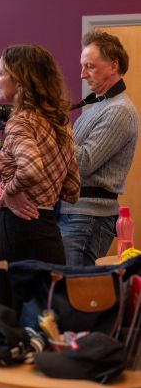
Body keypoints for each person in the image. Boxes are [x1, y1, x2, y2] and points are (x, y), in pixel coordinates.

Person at [0, 44, 80, 311]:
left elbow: (30, 169)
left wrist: (10, 192)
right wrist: (44, 194)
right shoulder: (59, 122)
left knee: (2, 316)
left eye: (1, 72)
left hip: (15, 230)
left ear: (21, 80)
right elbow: (72, 188)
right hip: (49, 231)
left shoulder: (21, 121)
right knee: (48, 322)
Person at [59, 31, 139, 266]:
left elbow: (82, 163)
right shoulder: (98, 106)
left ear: (113, 66)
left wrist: (60, 125)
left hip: (88, 217)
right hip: (76, 213)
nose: (82, 74)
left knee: (75, 293)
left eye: (90, 66)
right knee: (67, 290)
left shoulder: (119, 110)